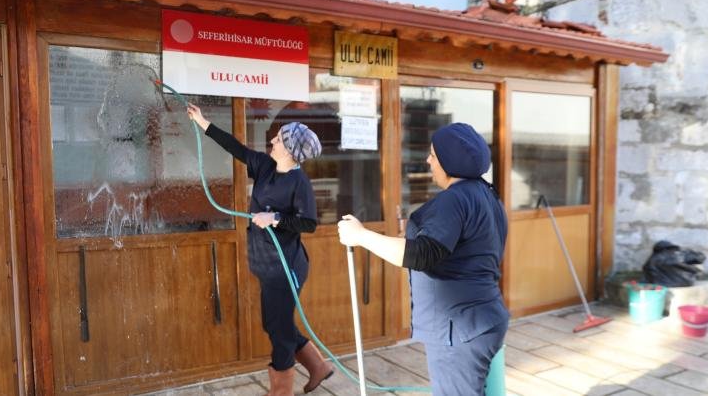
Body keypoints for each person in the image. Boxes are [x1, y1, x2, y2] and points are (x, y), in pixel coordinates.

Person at [337, 123, 508, 396]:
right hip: (484, 318)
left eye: (433, 155)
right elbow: (466, 247)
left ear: (449, 160)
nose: (428, 161)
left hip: (460, 329)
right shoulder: (487, 195)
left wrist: (360, 236)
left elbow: (423, 254)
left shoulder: (454, 200)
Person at [186, 104, 333, 395]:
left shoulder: (299, 182)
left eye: (279, 139)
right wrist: (203, 123)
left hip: (285, 267)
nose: (273, 141)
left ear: (290, 150)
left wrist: (275, 218)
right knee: (273, 322)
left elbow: (309, 223)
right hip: (266, 264)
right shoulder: (265, 166)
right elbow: (236, 148)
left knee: (278, 332)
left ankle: (281, 391)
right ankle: (317, 365)